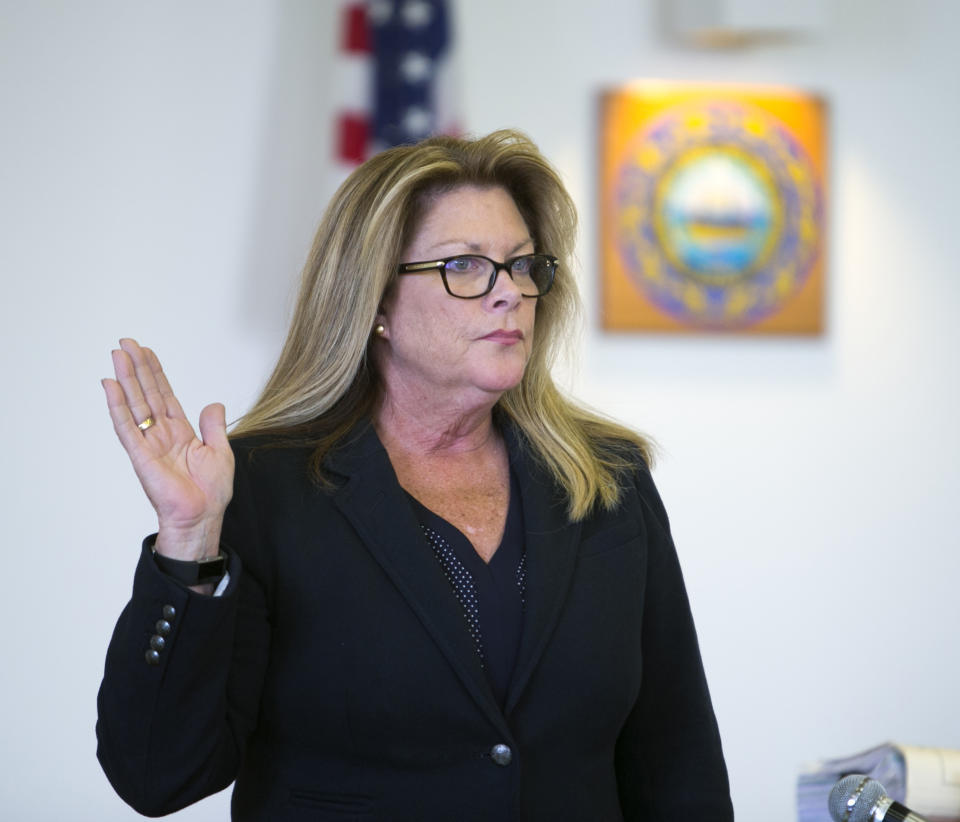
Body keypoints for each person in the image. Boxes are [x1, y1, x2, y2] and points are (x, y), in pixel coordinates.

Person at [97, 130, 733, 821]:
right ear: (374, 304)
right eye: (464, 265)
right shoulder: (259, 488)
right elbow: (156, 776)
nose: (508, 294)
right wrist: (189, 540)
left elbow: (677, 762)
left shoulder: (607, 478)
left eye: (522, 266)